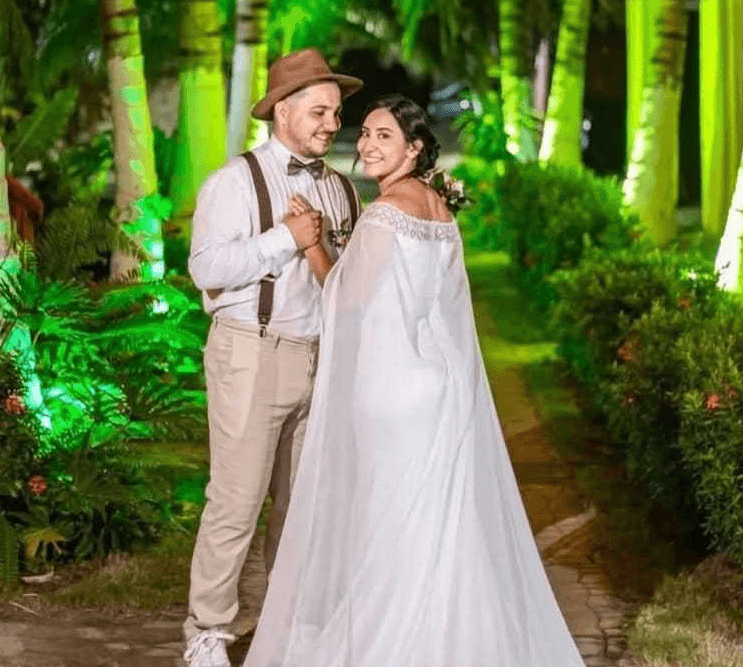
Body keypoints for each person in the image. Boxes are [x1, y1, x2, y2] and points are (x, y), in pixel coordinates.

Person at [241, 95, 587, 667]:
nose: (370, 146)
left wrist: (311, 246)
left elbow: (344, 303)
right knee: (440, 530)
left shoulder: (383, 216)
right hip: (440, 387)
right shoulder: (439, 211)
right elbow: (443, 307)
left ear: (415, 148)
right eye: (368, 135)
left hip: (393, 395)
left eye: (384, 137)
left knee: (387, 528)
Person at [183, 50, 363, 667]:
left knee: (300, 507)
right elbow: (205, 269)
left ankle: (285, 631)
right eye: (319, 111)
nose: (331, 123)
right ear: (281, 111)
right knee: (235, 502)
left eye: (336, 113)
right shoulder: (233, 182)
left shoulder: (340, 189)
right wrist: (287, 238)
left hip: (320, 360)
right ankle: (207, 633)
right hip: (250, 355)